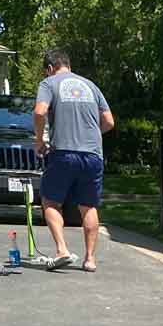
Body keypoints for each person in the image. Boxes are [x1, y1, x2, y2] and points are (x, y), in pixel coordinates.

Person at [33, 49, 114, 272]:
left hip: (64, 152)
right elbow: (109, 122)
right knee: (88, 206)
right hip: (93, 155)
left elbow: (40, 112)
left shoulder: (49, 83)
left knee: (50, 201)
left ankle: (62, 250)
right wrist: (89, 133)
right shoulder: (91, 86)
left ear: (50, 68)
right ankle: (89, 259)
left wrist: (39, 140)